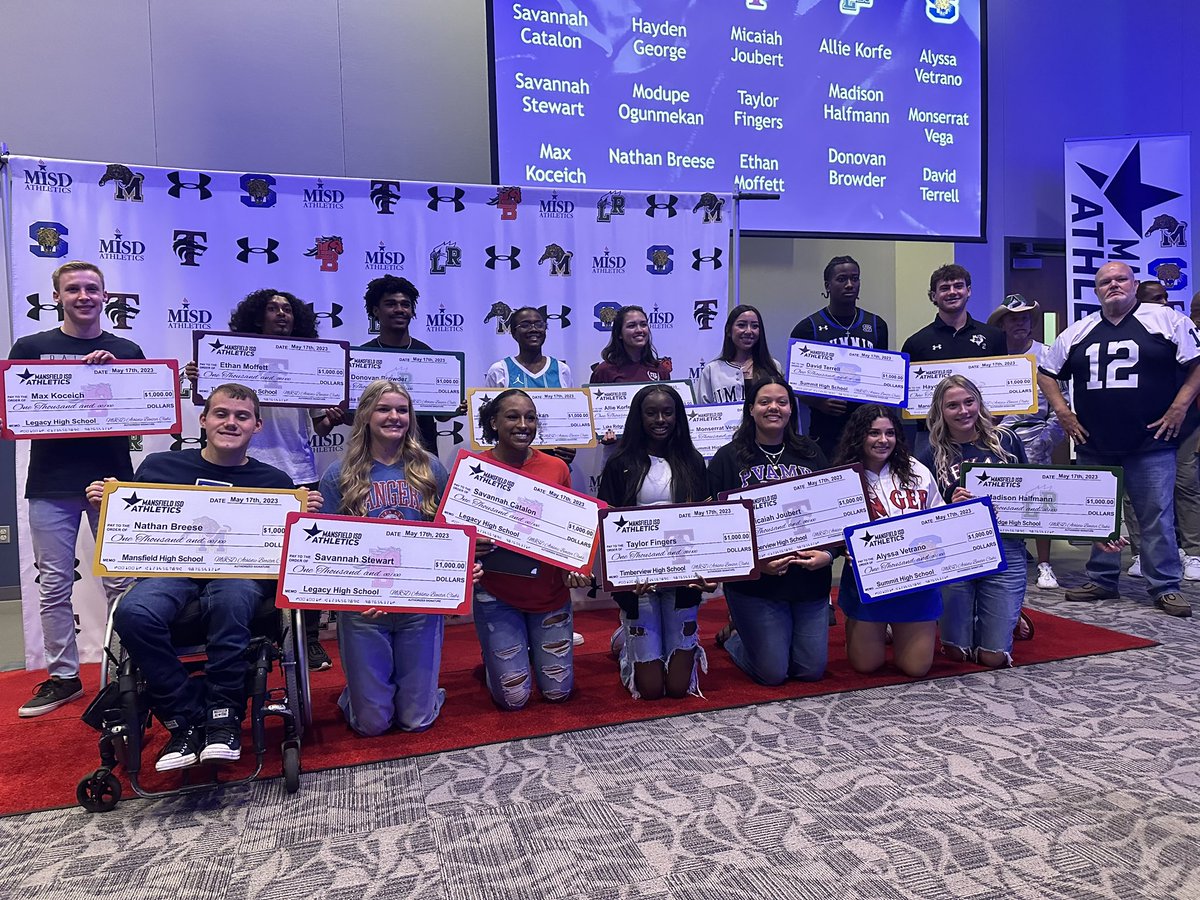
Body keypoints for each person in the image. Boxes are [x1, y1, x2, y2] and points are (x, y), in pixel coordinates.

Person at [87, 383, 322, 770]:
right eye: (222, 414)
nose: (231, 422)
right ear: (204, 419)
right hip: (170, 572)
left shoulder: (277, 483)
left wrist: (303, 518)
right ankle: (186, 718)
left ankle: (223, 716)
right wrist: (106, 506)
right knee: (132, 613)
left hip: (239, 575)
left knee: (231, 600)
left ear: (257, 426)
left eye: (242, 416)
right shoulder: (159, 467)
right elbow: (127, 533)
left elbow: (292, 554)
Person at [7, 261, 143, 718]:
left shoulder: (126, 349)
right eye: (73, 289)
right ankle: (64, 677)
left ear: (105, 296)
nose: (83, 296)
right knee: (54, 584)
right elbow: (15, 408)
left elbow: (143, 415)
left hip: (111, 479)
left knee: (122, 580)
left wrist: (114, 376)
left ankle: (130, 667)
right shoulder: (31, 347)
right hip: (50, 480)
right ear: (57, 297)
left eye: (91, 288)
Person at [186, 288, 342, 671]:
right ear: (258, 316)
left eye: (288, 309)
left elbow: (319, 425)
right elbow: (207, 406)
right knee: (241, 555)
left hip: (299, 473)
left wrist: (333, 417)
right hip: (243, 472)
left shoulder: (311, 362)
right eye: (273, 308)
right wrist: (197, 378)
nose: (281, 314)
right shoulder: (228, 356)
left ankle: (306, 640)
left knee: (303, 562)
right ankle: (251, 633)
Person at [1039, 261, 1200, 618]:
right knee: (1098, 516)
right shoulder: (1078, 331)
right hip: (1094, 441)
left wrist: (1178, 408)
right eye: (1105, 282)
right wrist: (1064, 413)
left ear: (1134, 284)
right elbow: (1046, 373)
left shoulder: (1167, 321)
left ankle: (1165, 586)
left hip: (1151, 440)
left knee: (1155, 515)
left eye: (1120, 279)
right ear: (1096, 291)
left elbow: (1197, 363)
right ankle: (1102, 579)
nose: (1113, 285)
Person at [318, 379, 456, 735]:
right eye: (384, 409)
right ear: (365, 415)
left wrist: (460, 569)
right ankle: (361, 695)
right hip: (364, 610)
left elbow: (447, 538)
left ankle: (422, 693)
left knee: (416, 721)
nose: (394, 417)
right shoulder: (338, 475)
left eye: (402, 410)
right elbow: (328, 550)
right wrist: (353, 595)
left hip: (418, 606)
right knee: (372, 725)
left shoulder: (431, 470)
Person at [706, 376, 835, 684]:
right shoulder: (728, 457)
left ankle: (765, 638)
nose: (773, 408)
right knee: (773, 674)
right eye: (764, 402)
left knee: (809, 671)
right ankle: (736, 638)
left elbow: (834, 511)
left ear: (791, 409)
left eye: (782, 401)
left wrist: (828, 555)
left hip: (809, 580)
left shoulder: (811, 453)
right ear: (750, 409)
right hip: (756, 585)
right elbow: (714, 523)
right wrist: (755, 564)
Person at [471, 390, 590, 710]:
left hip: (548, 593)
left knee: (557, 693)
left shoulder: (556, 469)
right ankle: (498, 656)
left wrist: (577, 564)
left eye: (531, 417)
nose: (523, 424)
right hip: (497, 595)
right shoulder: (474, 469)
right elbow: (456, 535)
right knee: (514, 699)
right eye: (512, 416)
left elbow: (570, 530)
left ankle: (524, 654)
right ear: (493, 422)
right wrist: (472, 544)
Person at [597, 385, 713, 699]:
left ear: (678, 416)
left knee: (677, 688)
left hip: (683, 580)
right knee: (650, 690)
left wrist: (713, 572)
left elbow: (707, 524)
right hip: (640, 582)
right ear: (638, 417)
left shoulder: (693, 461)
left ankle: (657, 637)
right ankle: (626, 643)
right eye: (651, 412)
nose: (660, 419)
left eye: (667, 412)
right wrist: (621, 581)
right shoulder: (619, 462)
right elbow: (606, 527)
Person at [919, 375, 1028, 667]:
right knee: (958, 654)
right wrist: (949, 506)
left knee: (992, 657)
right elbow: (922, 517)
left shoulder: (1006, 440)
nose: (963, 411)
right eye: (952, 405)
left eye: (969, 402)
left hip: (1005, 546)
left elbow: (1033, 491)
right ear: (940, 411)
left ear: (979, 402)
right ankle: (996, 612)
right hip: (956, 552)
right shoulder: (930, 453)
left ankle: (1008, 611)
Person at [833, 405, 944, 677]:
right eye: (873, 433)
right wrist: (843, 547)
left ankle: (900, 629)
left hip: (916, 579)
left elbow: (938, 517)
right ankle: (876, 627)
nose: (883, 440)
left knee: (916, 669)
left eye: (890, 433)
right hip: (868, 580)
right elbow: (830, 531)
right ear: (858, 436)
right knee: (866, 666)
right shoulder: (842, 476)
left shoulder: (917, 470)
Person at [986, 293, 1067, 592]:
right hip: (995, 439)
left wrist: (1049, 438)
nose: (1019, 323)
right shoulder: (992, 356)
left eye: (1023, 318)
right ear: (1003, 324)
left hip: (1036, 436)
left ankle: (1045, 563)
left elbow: (1063, 403)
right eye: (1012, 318)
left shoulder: (1047, 355)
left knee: (1040, 502)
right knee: (996, 501)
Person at [1121, 281, 1200, 580]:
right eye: (1156, 298)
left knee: (1186, 487)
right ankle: (1141, 553)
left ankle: (1192, 553)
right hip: (1144, 427)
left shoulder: (1181, 328)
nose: (1164, 302)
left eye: (1166, 297)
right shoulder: (1129, 331)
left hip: (1186, 424)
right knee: (1137, 493)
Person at [901, 264, 1007, 454]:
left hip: (982, 432)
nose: (952, 292)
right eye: (944, 288)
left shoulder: (994, 337)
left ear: (969, 291)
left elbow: (1004, 386)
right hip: (930, 435)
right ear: (933, 296)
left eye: (958, 286)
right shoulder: (915, 343)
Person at [791, 256, 891, 457]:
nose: (849, 284)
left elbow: (883, 377)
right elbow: (795, 384)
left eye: (855, 278)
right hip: (827, 428)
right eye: (842, 279)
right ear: (828, 285)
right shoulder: (807, 328)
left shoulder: (876, 325)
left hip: (868, 427)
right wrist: (818, 402)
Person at [484, 305, 576, 466]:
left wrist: (572, 445)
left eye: (539, 324)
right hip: (509, 463)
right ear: (513, 333)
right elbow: (490, 422)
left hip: (554, 461)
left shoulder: (562, 370)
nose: (533, 329)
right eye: (525, 325)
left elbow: (569, 418)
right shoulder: (500, 370)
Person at [358, 275, 440, 453]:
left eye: (405, 304)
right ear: (375, 310)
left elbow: (442, 416)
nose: (399, 309)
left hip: (422, 451)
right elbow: (354, 417)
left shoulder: (428, 354)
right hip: (375, 452)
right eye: (390, 304)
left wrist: (454, 405)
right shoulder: (361, 356)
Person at [697, 304, 782, 405]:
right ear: (729, 330)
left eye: (755, 326)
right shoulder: (711, 370)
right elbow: (703, 411)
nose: (749, 331)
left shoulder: (773, 366)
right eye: (741, 325)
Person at [590, 305, 673, 384]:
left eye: (643, 325)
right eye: (631, 326)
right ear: (619, 333)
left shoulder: (660, 370)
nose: (639, 330)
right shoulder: (603, 372)